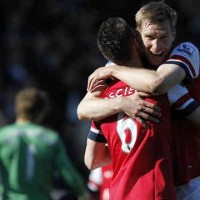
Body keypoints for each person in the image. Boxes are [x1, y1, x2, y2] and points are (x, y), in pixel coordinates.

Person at [77, 1, 200, 199]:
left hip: (190, 179)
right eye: (150, 37)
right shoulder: (116, 69)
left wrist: (112, 70)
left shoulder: (186, 51)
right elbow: (83, 109)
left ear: (174, 34)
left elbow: (157, 83)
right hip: (159, 181)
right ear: (137, 37)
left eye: (164, 37)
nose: (157, 46)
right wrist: (123, 103)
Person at [0, 88, 88, 200]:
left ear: (17, 108)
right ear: (42, 112)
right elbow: (69, 175)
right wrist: (83, 193)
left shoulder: (2, 136)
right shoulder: (51, 139)